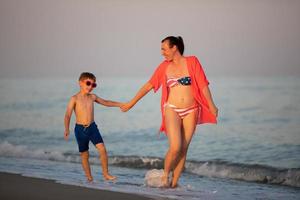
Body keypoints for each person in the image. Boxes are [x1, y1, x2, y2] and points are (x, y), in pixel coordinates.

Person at [121, 36, 218, 188]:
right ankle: (165, 176)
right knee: (176, 147)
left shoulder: (192, 61)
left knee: (184, 149)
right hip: (172, 109)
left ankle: (174, 184)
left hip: (191, 110)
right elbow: (149, 85)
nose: (162, 53)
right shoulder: (164, 67)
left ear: (175, 48)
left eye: (164, 49)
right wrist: (131, 103)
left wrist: (212, 105)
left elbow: (203, 84)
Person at [64, 72, 121, 182]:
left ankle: (106, 174)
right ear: (80, 83)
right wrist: (67, 128)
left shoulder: (92, 97)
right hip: (80, 130)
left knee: (102, 149)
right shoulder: (74, 98)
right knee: (85, 155)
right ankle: (89, 177)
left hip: (92, 128)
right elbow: (67, 115)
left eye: (93, 85)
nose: (90, 87)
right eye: (88, 83)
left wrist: (119, 104)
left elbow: (106, 102)